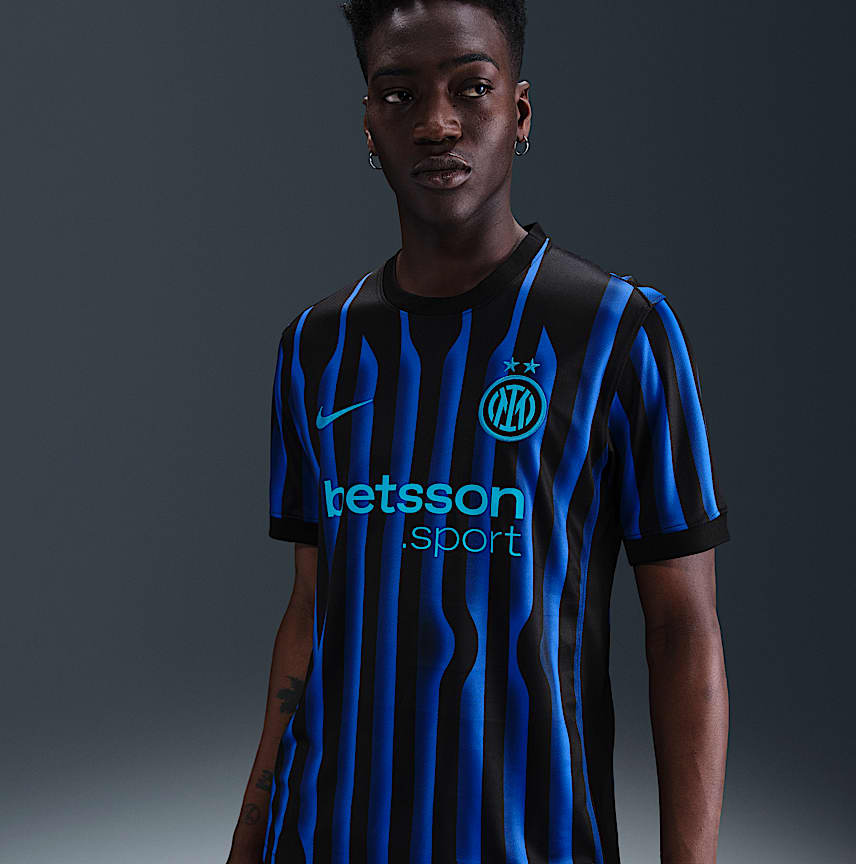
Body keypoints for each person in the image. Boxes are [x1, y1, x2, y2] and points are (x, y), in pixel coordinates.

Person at [227, 2, 731, 862]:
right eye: (400, 95)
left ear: (519, 114)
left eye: (471, 87)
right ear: (369, 125)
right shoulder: (316, 348)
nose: (437, 123)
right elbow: (310, 608)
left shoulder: (621, 332)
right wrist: (248, 840)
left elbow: (682, 630)